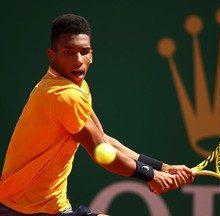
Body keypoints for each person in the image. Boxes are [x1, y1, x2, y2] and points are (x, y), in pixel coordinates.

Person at [0, 14, 195, 216]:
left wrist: (162, 168)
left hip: (42, 207)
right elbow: (102, 154)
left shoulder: (76, 86)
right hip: (24, 210)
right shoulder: (64, 95)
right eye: (68, 52)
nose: (78, 60)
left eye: (83, 52)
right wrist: (150, 176)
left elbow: (103, 140)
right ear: (52, 55)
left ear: (91, 55)